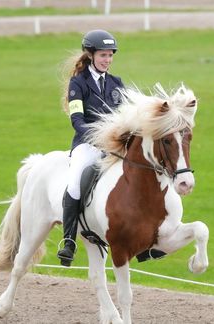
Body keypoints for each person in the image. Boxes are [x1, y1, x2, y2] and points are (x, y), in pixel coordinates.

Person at [57, 29, 125, 267]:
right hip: (87, 145)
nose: (107, 60)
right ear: (91, 54)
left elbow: (126, 116)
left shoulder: (117, 84)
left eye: (110, 55)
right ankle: (68, 241)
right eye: (103, 55)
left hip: (114, 148)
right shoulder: (78, 83)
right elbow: (77, 121)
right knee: (75, 182)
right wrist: (100, 138)